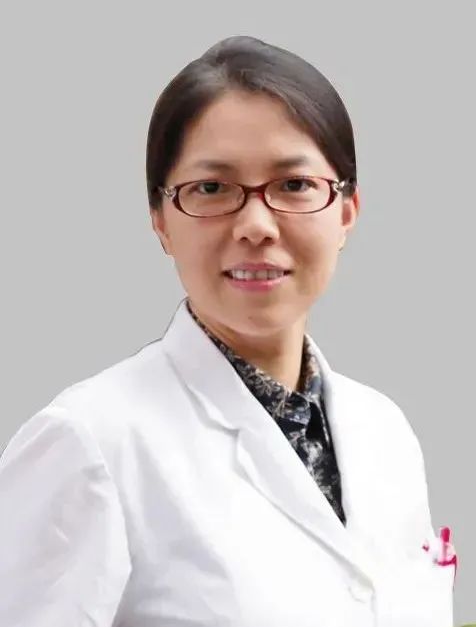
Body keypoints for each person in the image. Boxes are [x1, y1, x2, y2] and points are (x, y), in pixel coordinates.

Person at [0, 36, 456, 626]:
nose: (256, 225)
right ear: (160, 221)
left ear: (347, 211)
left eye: (295, 184)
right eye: (212, 189)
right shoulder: (89, 444)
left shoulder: (385, 431)